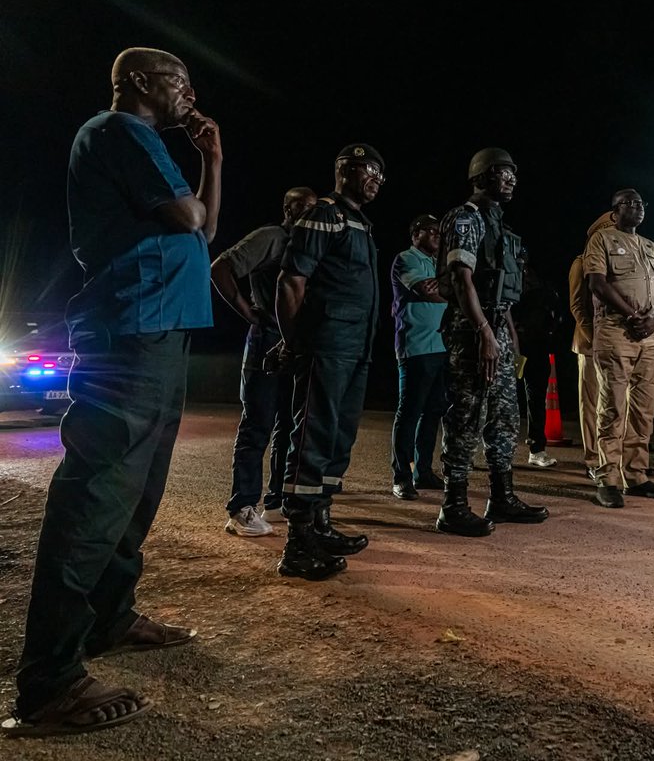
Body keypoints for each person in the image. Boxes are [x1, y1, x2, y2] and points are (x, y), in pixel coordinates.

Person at [4, 48, 221, 737]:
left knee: (138, 488)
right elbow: (190, 220)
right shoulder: (117, 131)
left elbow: (205, 228)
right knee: (97, 492)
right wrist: (194, 185)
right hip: (130, 330)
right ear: (137, 84)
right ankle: (49, 680)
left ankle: (109, 617)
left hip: (160, 330)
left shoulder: (148, 145)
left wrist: (214, 159)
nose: (189, 90)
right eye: (177, 80)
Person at [270, 144, 383, 580]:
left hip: (356, 347)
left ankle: (320, 524)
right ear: (345, 170)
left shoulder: (361, 222)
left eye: (381, 174)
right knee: (314, 436)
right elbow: (291, 280)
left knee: (339, 436)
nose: (376, 179)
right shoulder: (325, 214)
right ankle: (297, 544)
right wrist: (295, 341)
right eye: (370, 169)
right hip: (327, 344)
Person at [435, 148, 548, 535]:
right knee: (467, 416)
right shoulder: (465, 218)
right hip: (471, 329)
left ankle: (501, 498)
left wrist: (507, 339)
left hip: (496, 328)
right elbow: (463, 279)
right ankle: (453, 507)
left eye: (515, 172)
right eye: (504, 172)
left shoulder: (500, 225)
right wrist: (484, 332)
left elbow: (505, 294)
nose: (512, 178)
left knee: (503, 417)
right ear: (481, 177)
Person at [211, 186, 317, 535]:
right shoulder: (272, 237)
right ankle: (241, 507)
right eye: (300, 206)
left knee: (290, 425)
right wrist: (248, 312)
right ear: (287, 209)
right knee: (258, 423)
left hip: (297, 345)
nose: (307, 212)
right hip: (268, 339)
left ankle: (278, 497)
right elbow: (221, 268)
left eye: (313, 208)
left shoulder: (311, 245)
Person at [585, 189, 654, 506]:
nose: (637, 208)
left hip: (649, 336)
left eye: (641, 204)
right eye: (630, 204)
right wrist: (633, 314)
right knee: (613, 407)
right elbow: (598, 283)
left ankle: (636, 475)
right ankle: (607, 477)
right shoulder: (602, 240)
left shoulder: (651, 246)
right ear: (614, 211)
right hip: (616, 330)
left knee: (644, 409)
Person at [389, 214, 448, 501]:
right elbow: (425, 290)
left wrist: (445, 285)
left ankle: (423, 471)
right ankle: (401, 476)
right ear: (415, 235)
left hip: (441, 346)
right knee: (410, 412)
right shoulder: (406, 258)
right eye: (431, 231)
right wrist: (457, 291)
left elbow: (437, 287)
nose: (437, 235)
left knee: (433, 412)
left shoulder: (438, 263)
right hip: (416, 347)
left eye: (439, 231)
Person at [568, 213, 613, 479]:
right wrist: (593, 339)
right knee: (592, 403)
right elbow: (577, 306)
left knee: (615, 403)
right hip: (589, 344)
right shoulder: (581, 263)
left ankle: (612, 457)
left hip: (613, 342)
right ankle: (593, 458)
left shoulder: (613, 263)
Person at [512, 248, 562, 468]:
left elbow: (555, 311)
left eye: (523, 257)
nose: (521, 262)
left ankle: (537, 449)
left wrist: (551, 328)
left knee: (536, 398)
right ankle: (489, 449)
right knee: (499, 400)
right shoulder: (504, 279)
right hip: (510, 346)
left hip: (537, 346)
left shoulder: (539, 280)